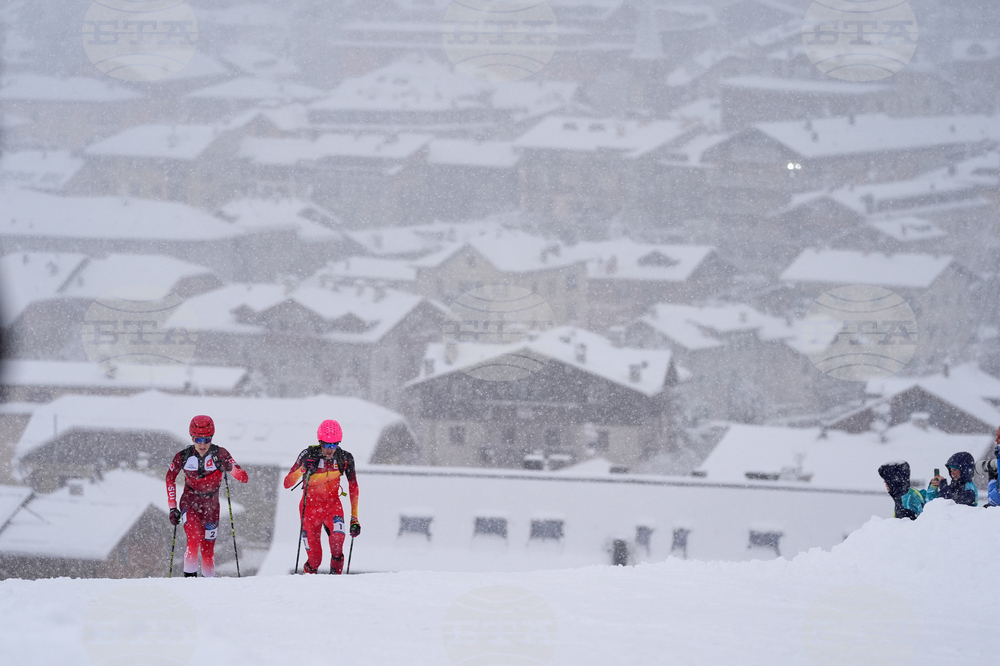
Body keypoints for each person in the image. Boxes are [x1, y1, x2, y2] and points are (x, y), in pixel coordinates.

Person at [165, 415, 249, 577]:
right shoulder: (183, 456)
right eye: (198, 439)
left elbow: (243, 477)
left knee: (208, 551)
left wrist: (230, 468)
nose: (202, 444)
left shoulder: (220, 453)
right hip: (190, 503)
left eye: (207, 439)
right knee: (194, 540)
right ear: (192, 437)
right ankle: (189, 581)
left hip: (211, 507)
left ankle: (208, 587)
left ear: (212, 437)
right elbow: (170, 478)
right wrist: (172, 507)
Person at [284, 419, 360, 574]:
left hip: (332, 505)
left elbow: (353, 487)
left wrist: (355, 518)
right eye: (326, 445)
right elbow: (287, 483)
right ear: (320, 442)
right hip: (310, 510)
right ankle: (308, 584)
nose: (330, 449)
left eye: (334, 444)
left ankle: (336, 580)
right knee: (315, 559)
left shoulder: (345, 458)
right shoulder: (308, 454)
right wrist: (303, 469)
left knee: (338, 541)